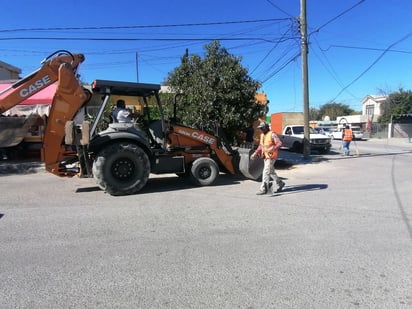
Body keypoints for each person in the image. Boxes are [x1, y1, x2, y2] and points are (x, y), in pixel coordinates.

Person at [251, 121, 285, 195]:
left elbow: (279, 143)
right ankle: (280, 183)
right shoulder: (262, 135)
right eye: (260, 128)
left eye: (262, 128)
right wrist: (255, 153)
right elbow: (261, 146)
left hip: (271, 157)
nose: (261, 130)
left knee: (266, 172)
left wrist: (274, 148)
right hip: (266, 156)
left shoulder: (272, 134)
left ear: (266, 128)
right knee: (271, 172)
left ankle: (264, 188)